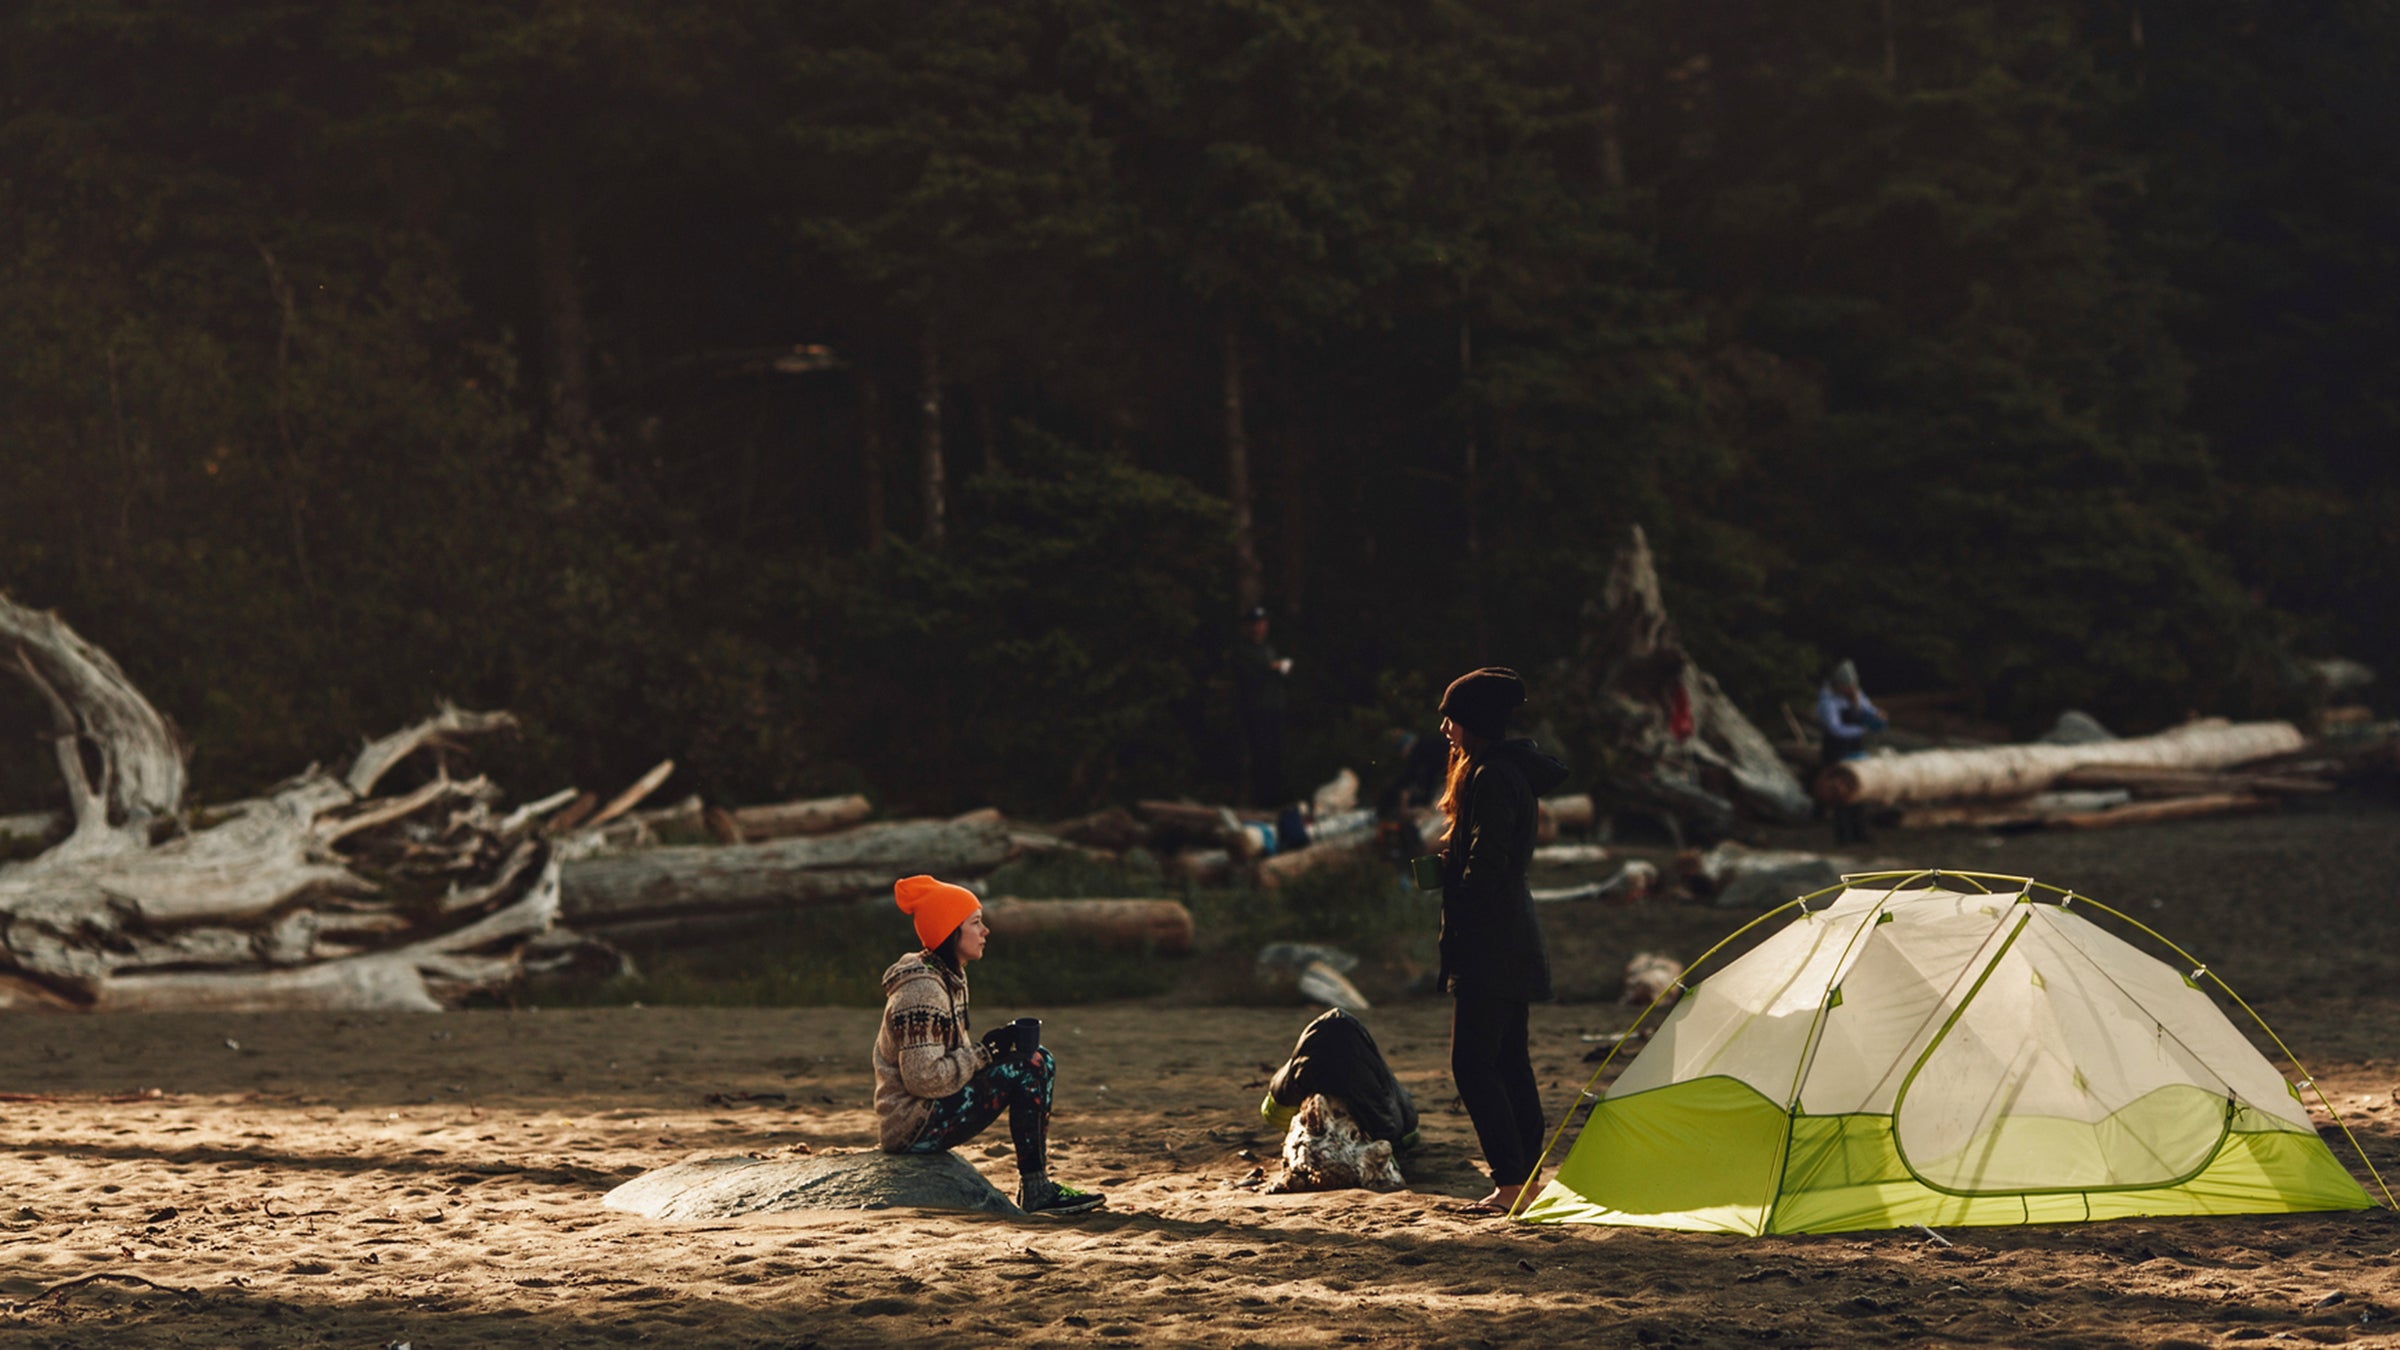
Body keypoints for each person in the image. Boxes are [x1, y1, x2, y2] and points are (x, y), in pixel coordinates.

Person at [873, 874, 1105, 1214]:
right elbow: (923, 1079)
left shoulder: (948, 977)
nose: (986, 931)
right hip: (913, 1125)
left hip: (929, 1114)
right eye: (976, 923)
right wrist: (986, 1053)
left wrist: (992, 1050)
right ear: (951, 930)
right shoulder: (921, 990)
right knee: (1032, 1065)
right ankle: (1037, 1191)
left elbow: (947, 1066)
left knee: (1039, 1058)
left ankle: (1037, 1187)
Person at [1432, 667, 1569, 1217]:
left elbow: (1490, 863)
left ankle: (1511, 1182)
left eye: (1453, 717)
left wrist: (1458, 892)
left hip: (1491, 940)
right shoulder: (1508, 773)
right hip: (1513, 932)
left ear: (1476, 722)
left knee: (1473, 1063)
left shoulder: (1490, 776)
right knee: (1510, 1059)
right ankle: (1526, 1180)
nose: (1446, 727)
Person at [1815, 659, 1887, 844]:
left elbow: (1867, 709)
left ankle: (1860, 832)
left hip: (1855, 747)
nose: (1851, 689)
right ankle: (1844, 836)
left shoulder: (1855, 694)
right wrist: (1861, 730)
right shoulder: (1827, 701)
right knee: (1840, 792)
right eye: (1847, 686)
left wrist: (1875, 715)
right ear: (1838, 685)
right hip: (1836, 747)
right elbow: (1834, 728)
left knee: (1859, 787)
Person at [1231, 604, 1293, 808]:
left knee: (1277, 757)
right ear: (1248, 626)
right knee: (1260, 758)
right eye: (1255, 624)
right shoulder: (1243, 650)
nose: (1259, 628)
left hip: (1275, 710)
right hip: (1256, 712)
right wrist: (1272, 668)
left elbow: (1277, 672)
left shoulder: (1267, 648)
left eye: (1262, 623)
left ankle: (1275, 802)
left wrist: (1278, 669)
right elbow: (1252, 676)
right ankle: (1261, 804)